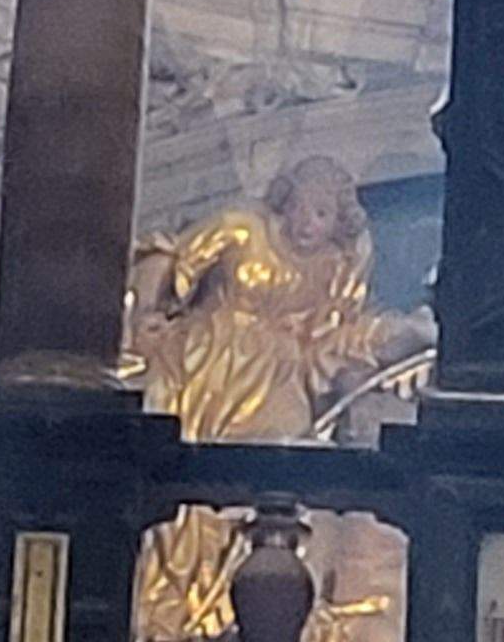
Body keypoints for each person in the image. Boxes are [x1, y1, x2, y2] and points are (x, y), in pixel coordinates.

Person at [127, 156, 396, 444]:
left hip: (279, 377)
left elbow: (334, 338)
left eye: (321, 213)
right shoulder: (243, 228)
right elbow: (170, 256)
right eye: (298, 207)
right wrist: (145, 312)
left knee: (278, 445)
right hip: (207, 353)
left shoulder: (336, 268)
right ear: (285, 205)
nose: (306, 222)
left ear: (338, 223)